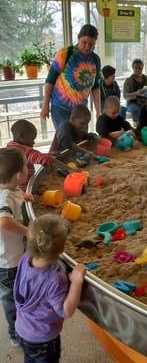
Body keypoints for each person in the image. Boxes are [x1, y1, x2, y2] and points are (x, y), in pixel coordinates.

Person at [14, 214, 86, 362]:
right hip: (43, 340)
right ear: (62, 249)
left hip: (22, 329)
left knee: (30, 359)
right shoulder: (55, 279)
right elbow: (66, 311)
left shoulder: (25, 257)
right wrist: (76, 282)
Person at [41, 24, 101, 129]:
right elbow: (50, 80)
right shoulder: (65, 53)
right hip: (60, 108)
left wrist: (98, 112)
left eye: (91, 44)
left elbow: (96, 87)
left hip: (81, 111)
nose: (87, 47)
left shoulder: (95, 59)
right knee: (65, 141)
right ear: (78, 39)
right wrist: (45, 105)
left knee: (82, 142)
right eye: (84, 42)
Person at [0, 148, 32, 347]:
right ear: (19, 175)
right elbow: (4, 222)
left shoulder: (11, 189)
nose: (29, 168)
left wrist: (24, 196)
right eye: (26, 166)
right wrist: (28, 232)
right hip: (6, 262)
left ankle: (22, 323)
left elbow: (14, 193)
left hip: (14, 255)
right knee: (10, 297)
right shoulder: (4, 198)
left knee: (18, 292)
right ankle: (15, 334)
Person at [7, 120, 54, 191]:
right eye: (32, 139)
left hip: (13, 186)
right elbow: (43, 159)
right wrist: (52, 159)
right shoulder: (23, 151)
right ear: (21, 136)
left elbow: (34, 156)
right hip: (24, 187)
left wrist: (48, 154)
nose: (33, 142)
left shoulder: (10, 147)